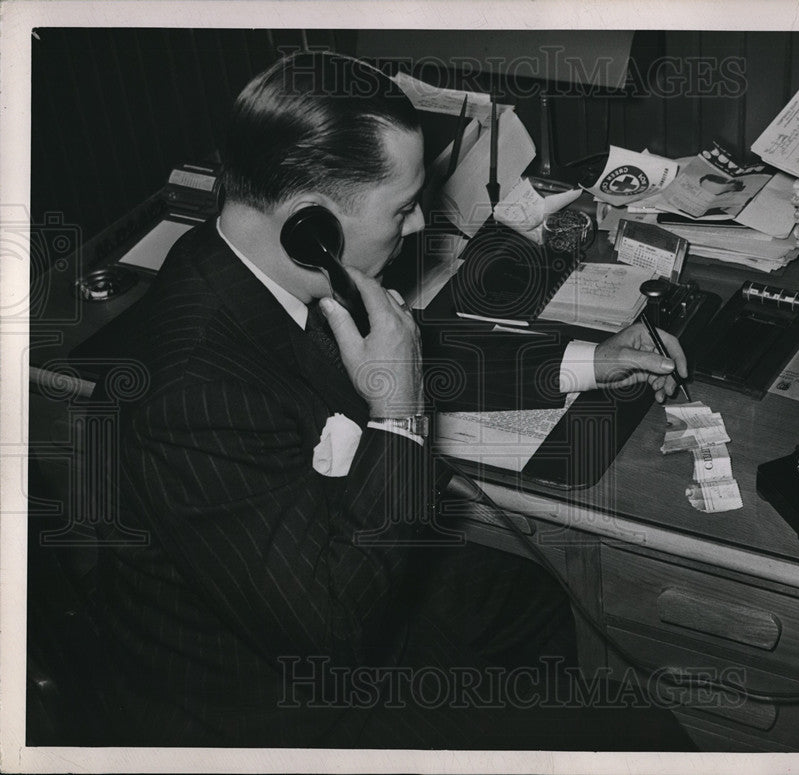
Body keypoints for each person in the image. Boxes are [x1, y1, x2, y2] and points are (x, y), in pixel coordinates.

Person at [94, 51, 693, 749]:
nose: (416, 229)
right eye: (404, 209)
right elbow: (332, 631)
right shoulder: (193, 396)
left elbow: (404, 350)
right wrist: (399, 416)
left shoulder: (254, 257)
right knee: (640, 734)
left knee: (529, 597)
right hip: (279, 704)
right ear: (308, 222)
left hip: (313, 580)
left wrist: (593, 359)